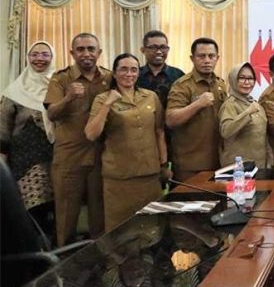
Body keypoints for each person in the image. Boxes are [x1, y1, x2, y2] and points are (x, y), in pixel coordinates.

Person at [85, 53, 167, 231]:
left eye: (133, 70)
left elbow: (159, 131)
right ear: (114, 73)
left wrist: (164, 164)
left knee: (152, 229)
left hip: (149, 176)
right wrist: (108, 104)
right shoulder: (102, 99)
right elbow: (91, 134)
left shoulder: (150, 97)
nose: (129, 74)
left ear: (138, 73)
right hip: (119, 179)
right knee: (120, 233)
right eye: (123, 69)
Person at [44, 33, 111, 246]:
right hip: (69, 159)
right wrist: (68, 97)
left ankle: (99, 268)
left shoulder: (109, 78)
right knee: (66, 218)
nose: (86, 53)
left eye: (91, 49)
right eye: (80, 49)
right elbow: (52, 114)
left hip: (101, 157)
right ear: (72, 53)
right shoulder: (60, 78)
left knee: (99, 218)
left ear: (99, 53)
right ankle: (62, 270)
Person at [1, 41, 56, 236]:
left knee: (56, 211)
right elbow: (3, 130)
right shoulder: (14, 92)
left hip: (57, 158)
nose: (39, 59)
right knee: (31, 212)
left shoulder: (58, 87)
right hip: (24, 161)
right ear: (27, 58)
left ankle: (55, 252)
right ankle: (36, 256)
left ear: (52, 58)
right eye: (35, 54)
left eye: (45, 54)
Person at [165, 38, 227, 181]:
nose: (207, 60)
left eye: (211, 56)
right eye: (201, 56)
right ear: (192, 58)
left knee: (218, 202)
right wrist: (197, 104)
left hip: (218, 161)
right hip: (190, 164)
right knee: (192, 202)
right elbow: (171, 120)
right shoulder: (182, 85)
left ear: (217, 58)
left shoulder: (220, 84)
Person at [219, 63, 269, 167]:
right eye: (241, 78)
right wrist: (247, 113)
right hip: (238, 169)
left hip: (259, 165)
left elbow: (263, 135)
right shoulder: (230, 104)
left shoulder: (255, 104)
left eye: (250, 78)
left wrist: (269, 160)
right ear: (233, 80)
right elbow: (226, 131)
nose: (247, 82)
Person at [137, 30, 185, 108]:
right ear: (143, 50)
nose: (159, 52)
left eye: (163, 47)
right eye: (153, 47)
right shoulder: (135, 75)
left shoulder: (178, 75)